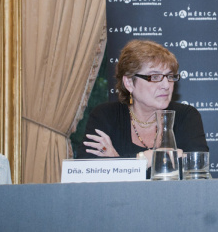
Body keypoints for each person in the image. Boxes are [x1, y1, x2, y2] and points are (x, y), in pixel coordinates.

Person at [77, 39, 209, 178]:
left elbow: (195, 171)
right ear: (129, 82)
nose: (166, 85)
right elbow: (87, 172)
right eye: (155, 76)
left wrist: (118, 161)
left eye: (170, 76)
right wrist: (146, 158)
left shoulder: (186, 116)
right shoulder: (105, 115)